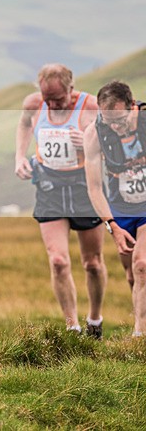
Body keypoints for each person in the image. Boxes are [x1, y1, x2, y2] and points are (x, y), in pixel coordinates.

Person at [14, 63, 107, 338]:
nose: (52, 105)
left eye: (57, 98)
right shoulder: (34, 104)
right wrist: (19, 157)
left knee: (92, 263)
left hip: (84, 188)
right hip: (50, 188)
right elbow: (24, 124)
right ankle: (72, 327)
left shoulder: (91, 107)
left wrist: (89, 141)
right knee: (57, 261)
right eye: (47, 99)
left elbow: (113, 143)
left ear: (71, 88)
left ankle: (94, 320)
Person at [84, 80, 146, 338]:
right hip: (121, 209)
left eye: (120, 120)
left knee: (142, 265)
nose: (115, 127)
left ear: (132, 106)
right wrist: (112, 226)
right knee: (132, 275)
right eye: (109, 121)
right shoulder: (95, 133)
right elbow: (94, 188)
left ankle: (139, 337)